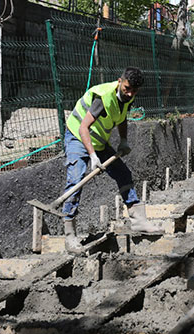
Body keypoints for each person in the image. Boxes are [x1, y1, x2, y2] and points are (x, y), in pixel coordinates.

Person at [62, 67, 160, 253]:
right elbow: (84, 128)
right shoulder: (103, 97)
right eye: (127, 88)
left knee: (123, 173)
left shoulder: (128, 97)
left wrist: (123, 140)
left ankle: (139, 221)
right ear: (119, 81)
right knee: (76, 179)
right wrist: (92, 156)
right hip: (77, 136)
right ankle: (70, 235)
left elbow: (122, 118)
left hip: (97, 140)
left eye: (133, 90)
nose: (130, 93)